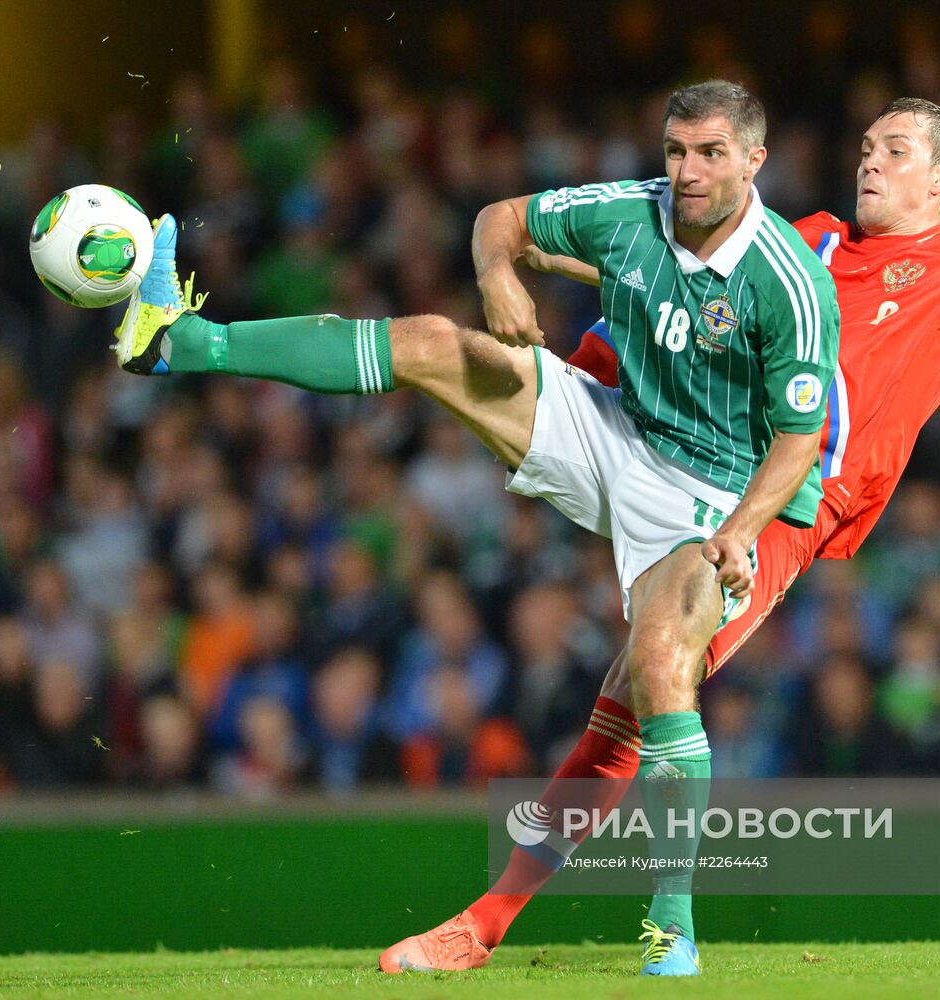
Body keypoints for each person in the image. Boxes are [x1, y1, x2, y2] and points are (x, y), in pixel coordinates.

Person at [112, 79, 840, 976]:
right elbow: (500, 217)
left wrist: (742, 530)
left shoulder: (789, 282)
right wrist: (499, 275)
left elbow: (802, 439)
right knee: (431, 342)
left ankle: (672, 924)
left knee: (658, 669)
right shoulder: (628, 213)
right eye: (676, 152)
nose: (688, 173)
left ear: (754, 160)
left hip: (712, 496)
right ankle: (181, 342)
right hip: (617, 430)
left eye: (712, 154)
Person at [418, 97, 940, 971]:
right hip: (697, 460)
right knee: (635, 700)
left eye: (898, 151)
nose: (871, 161)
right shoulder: (813, 240)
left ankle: (602, 924)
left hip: (788, 503)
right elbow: (695, 274)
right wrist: (544, 254)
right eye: (868, 145)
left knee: (645, 692)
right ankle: (503, 924)